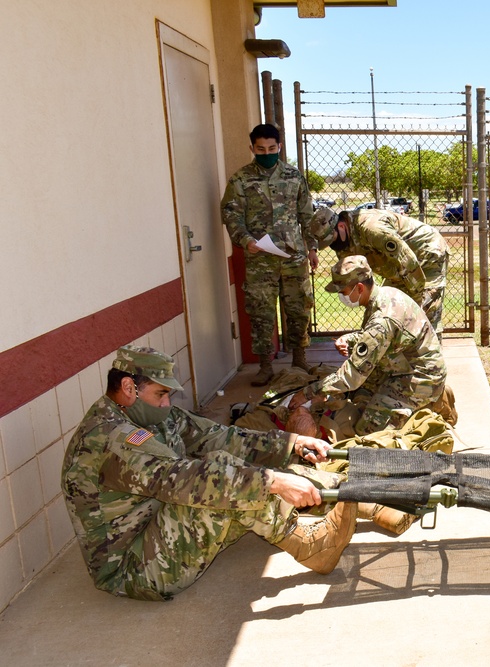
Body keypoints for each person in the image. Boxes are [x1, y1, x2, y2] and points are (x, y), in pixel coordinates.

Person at [61, 345, 356, 601]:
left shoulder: (142, 413)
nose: (167, 404)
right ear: (129, 388)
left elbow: (219, 437)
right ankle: (311, 547)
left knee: (232, 467)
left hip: (157, 525)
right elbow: (181, 480)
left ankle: (355, 494)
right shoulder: (111, 439)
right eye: (161, 394)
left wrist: (292, 442)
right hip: (134, 568)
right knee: (220, 480)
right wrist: (273, 481)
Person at [289, 255, 446, 436]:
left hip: (420, 376)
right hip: (405, 365)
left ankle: (428, 404)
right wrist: (352, 338)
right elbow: (384, 337)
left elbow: (351, 375)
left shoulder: (382, 319)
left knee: (367, 430)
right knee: (359, 396)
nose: (342, 296)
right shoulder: (385, 294)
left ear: (360, 287)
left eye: (343, 292)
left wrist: (308, 392)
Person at [221, 123, 318, 386]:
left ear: (279, 147)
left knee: (299, 308)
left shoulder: (294, 176)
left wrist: (312, 248)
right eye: (260, 149)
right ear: (252, 148)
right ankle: (265, 366)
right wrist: (245, 240)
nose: (267, 153)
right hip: (259, 258)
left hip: (293, 257)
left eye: (272, 148)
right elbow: (231, 215)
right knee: (261, 312)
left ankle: (299, 360)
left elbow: (306, 216)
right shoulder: (240, 179)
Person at [310, 207, 449, 336]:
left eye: (331, 239)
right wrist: (364, 334)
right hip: (397, 265)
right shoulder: (341, 242)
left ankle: (431, 358)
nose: (332, 245)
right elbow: (367, 289)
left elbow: (407, 261)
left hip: (426, 251)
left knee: (425, 311)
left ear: (341, 226)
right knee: (391, 307)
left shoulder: (372, 228)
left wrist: (417, 301)